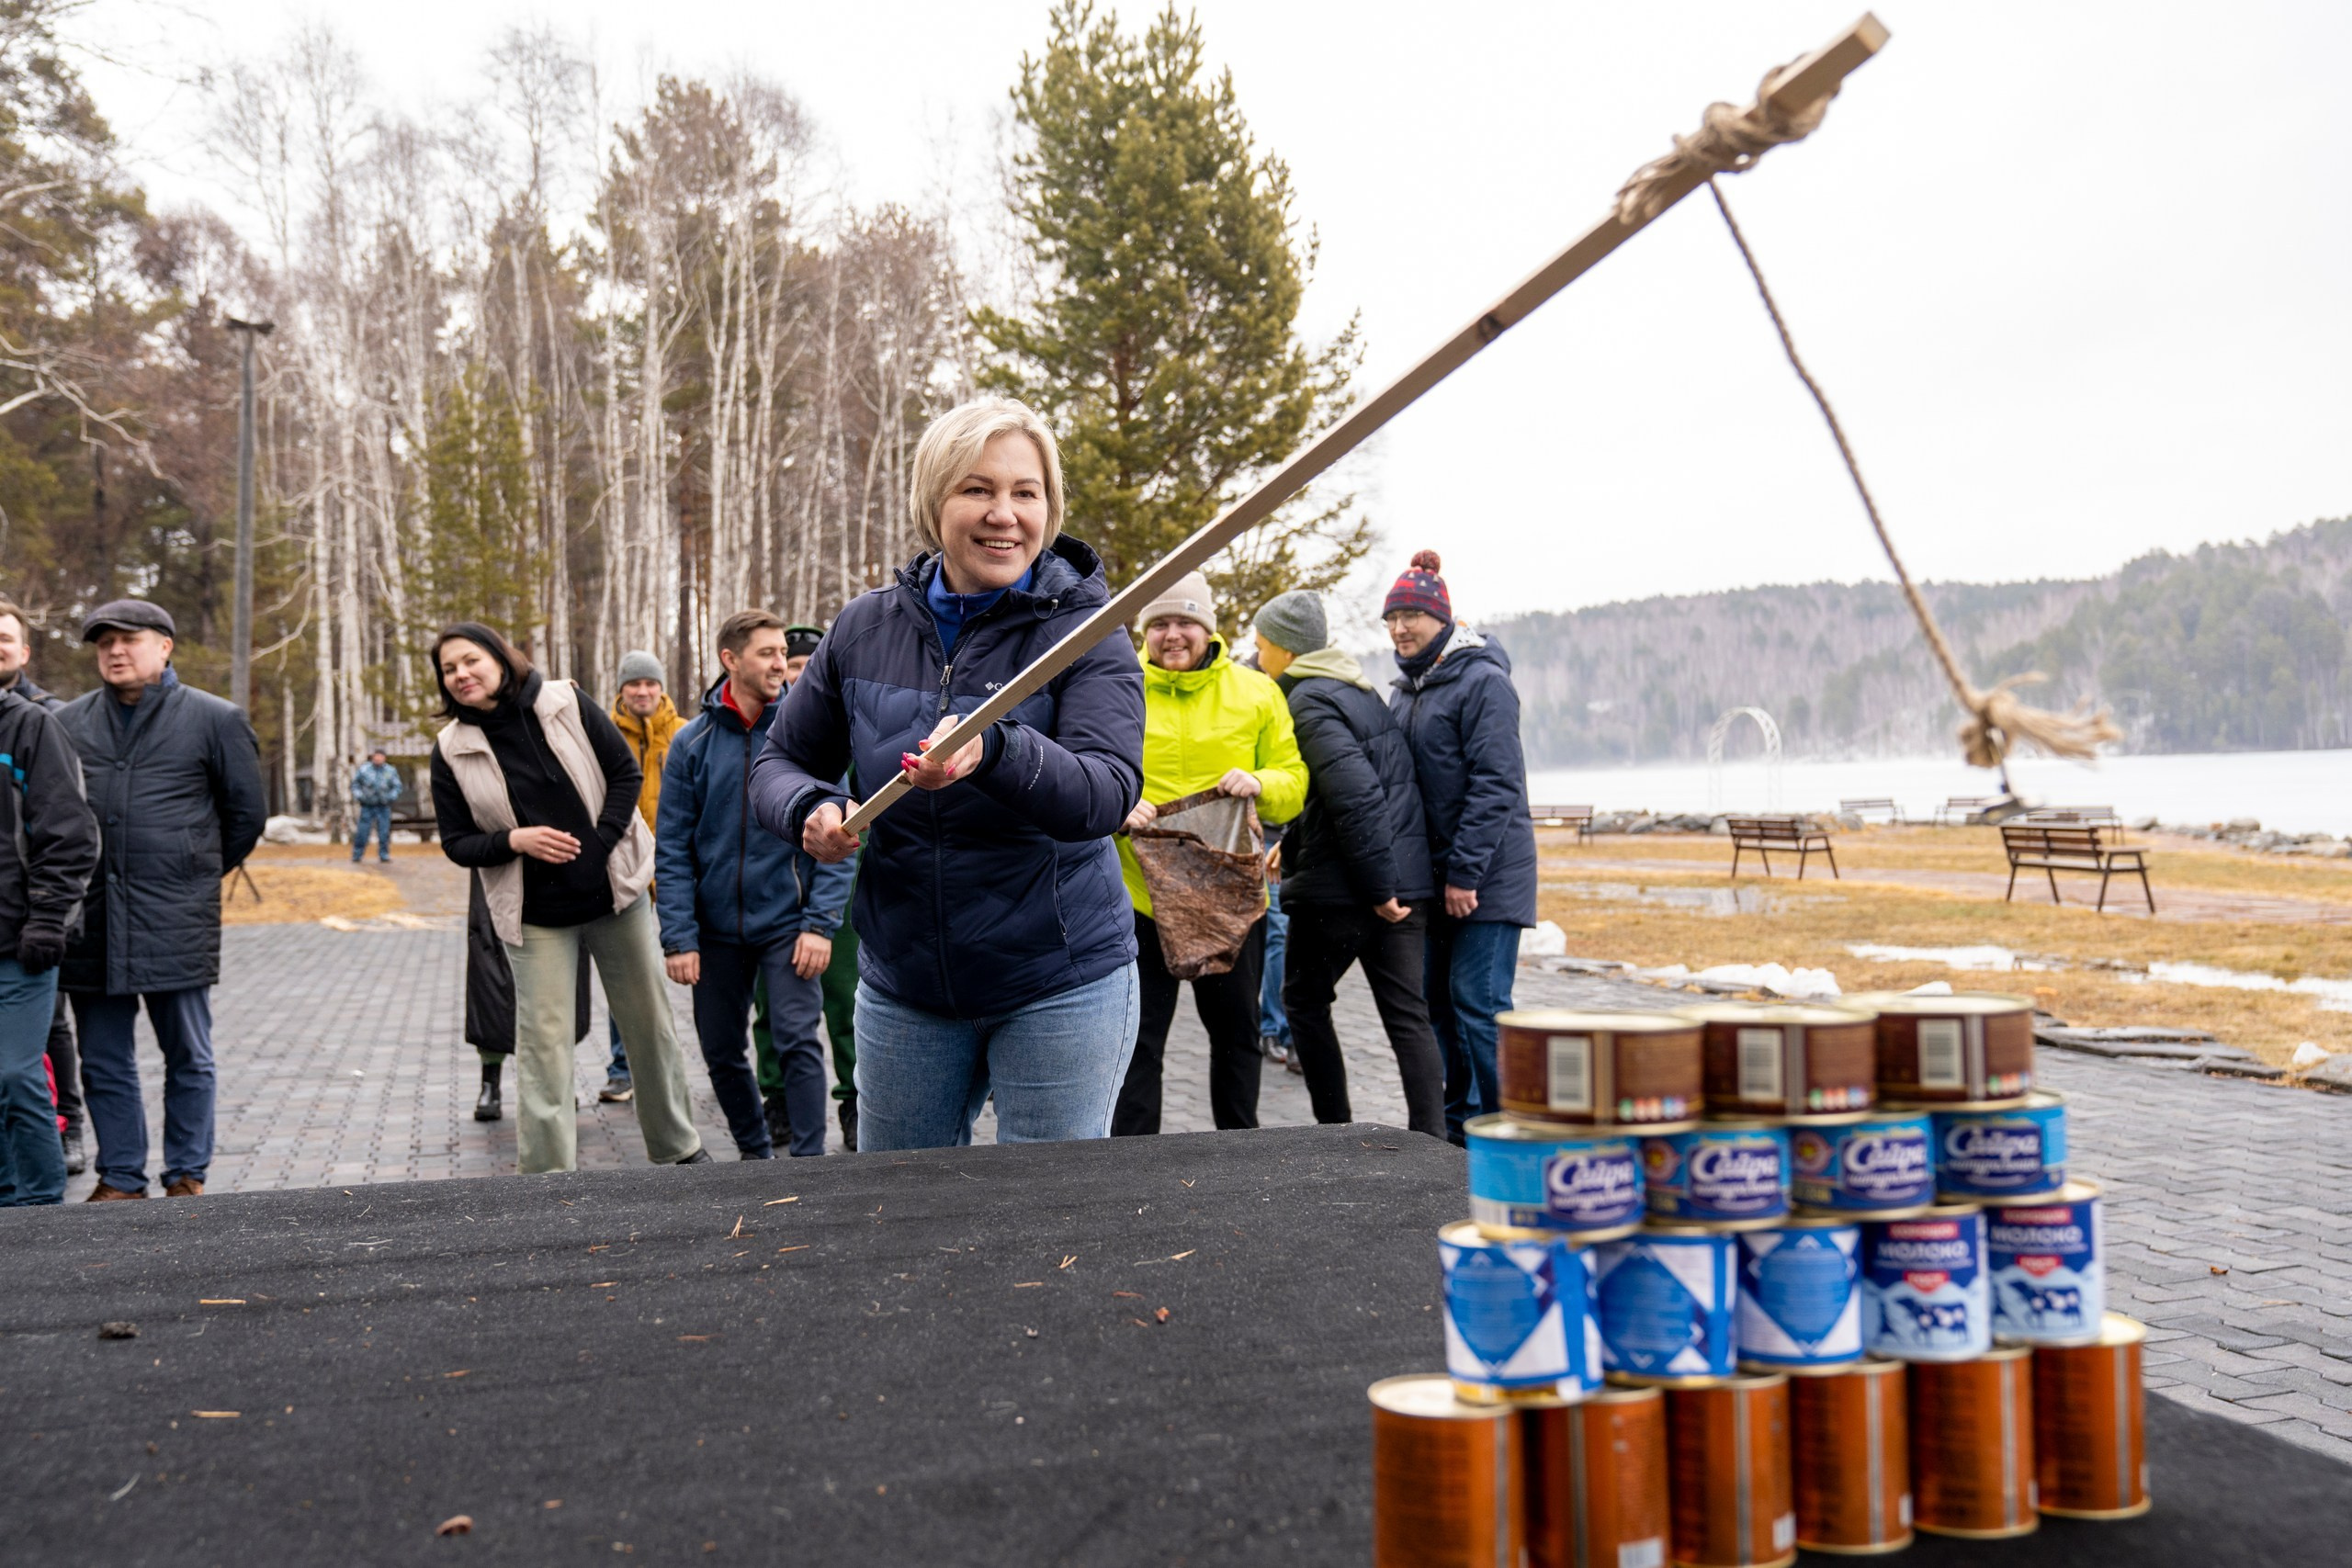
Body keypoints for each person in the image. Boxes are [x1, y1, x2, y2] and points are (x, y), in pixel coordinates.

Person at [750, 396, 1144, 1151]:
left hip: (1059, 980)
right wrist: (809, 809)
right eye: (977, 489)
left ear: (1049, 507)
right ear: (934, 501)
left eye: (1025, 493)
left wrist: (994, 749)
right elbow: (780, 761)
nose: (1004, 513)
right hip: (908, 986)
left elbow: (1105, 793)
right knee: (899, 1217)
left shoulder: (1088, 631)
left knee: (1048, 1217)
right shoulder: (864, 628)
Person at [427, 623, 707, 1173]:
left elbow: (623, 775)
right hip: (535, 917)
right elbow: (457, 843)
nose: (461, 675)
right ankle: (547, 1174)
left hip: (616, 895)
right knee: (543, 1046)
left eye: (470, 661)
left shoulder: (564, 702)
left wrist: (599, 846)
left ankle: (679, 1147)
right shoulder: (451, 749)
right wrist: (513, 840)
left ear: (500, 659)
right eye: (448, 669)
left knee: (648, 1026)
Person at [57, 599, 267, 1200]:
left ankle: (185, 1173)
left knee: (188, 1053)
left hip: (174, 916)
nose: (115, 651)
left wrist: (192, 869)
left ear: (165, 646)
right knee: (102, 1058)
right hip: (90, 918)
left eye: (129, 639)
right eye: (104, 643)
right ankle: (121, 1174)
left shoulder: (214, 719)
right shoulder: (68, 723)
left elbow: (246, 816)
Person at [1109, 570, 1307, 1136]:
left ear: (1209, 630)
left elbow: (1295, 781)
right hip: (1137, 896)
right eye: (1161, 623)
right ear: (1145, 632)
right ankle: (1133, 1163)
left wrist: (1261, 781)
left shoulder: (1256, 692)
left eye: (1186, 622)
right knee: (1139, 1044)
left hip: (1229, 901)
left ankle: (1238, 1150)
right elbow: (1091, 769)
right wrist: (1121, 803)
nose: (1174, 635)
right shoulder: (1119, 688)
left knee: (1237, 1036)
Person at [658, 610, 853, 1159]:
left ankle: (810, 1162)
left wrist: (819, 924)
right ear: (730, 660)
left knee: (796, 1041)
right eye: (767, 653)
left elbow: (843, 833)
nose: (779, 664)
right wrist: (679, 936)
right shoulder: (690, 744)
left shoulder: (809, 735)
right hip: (714, 930)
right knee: (720, 1050)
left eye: (781, 654)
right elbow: (672, 846)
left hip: (788, 924)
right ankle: (754, 1153)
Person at [1254, 589, 1446, 1137]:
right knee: (1408, 1017)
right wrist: (1289, 842)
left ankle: (1334, 1130)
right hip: (1401, 878)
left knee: (1304, 1002)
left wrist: (1378, 887)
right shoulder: (1355, 690)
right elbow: (1342, 792)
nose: (1258, 656)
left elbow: (1355, 795)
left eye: (1262, 646)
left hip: (1350, 890)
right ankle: (1431, 1140)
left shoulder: (1306, 700)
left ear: (1286, 651)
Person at [1384, 551, 1538, 1143]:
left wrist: (1466, 875)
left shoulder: (1483, 683)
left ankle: (1511, 1129)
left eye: (1412, 616)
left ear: (1442, 619)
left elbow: (1498, 784)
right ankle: (1456, 1134)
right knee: (1438, 1007)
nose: (1400, 628)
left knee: (1480, 1003)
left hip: (1488, 878)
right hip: (1436, 876)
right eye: (1391, 618)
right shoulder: (1409, 689)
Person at [751, 623, 863, 1152]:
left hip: (835, 897)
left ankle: (853, 1101)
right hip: (770, 902)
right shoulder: (771, 732)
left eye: (805, 666)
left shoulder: (848, 721)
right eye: (791, 666)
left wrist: (823, 918)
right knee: (772, 1013)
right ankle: (776, 1100)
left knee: (846, 1005)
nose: (796, 675)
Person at [0, 682, 99, 1206]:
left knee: (16, 1074)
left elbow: (69, 832)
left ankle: (40, 1205)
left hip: (19, 942)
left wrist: (47, 918)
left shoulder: (29, 725)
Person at [600, 650, 684, 1104]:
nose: (643, 691)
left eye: (650, 683)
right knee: (627, 972)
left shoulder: (684, 732)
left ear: (660, 686)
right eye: (634, 684)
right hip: (624, 870)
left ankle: (703, 1064)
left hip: (676, 865)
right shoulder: (603, 734)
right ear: (622, 689)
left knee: (698, 967)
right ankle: (622, 1068)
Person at [350, 747, 402, 864]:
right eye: (376, 756)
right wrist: (359, 796)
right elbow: (355, 785)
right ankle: (357, 855)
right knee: (362, 832)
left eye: (381, 756)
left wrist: (391, 797)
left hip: (383, 806)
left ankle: (384, 855)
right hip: (367, 806)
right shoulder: (364, 770)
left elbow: (397, 787)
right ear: (373, 757)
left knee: (384, 832)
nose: (378, 758)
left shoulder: (390, 771)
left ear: (384, 758)